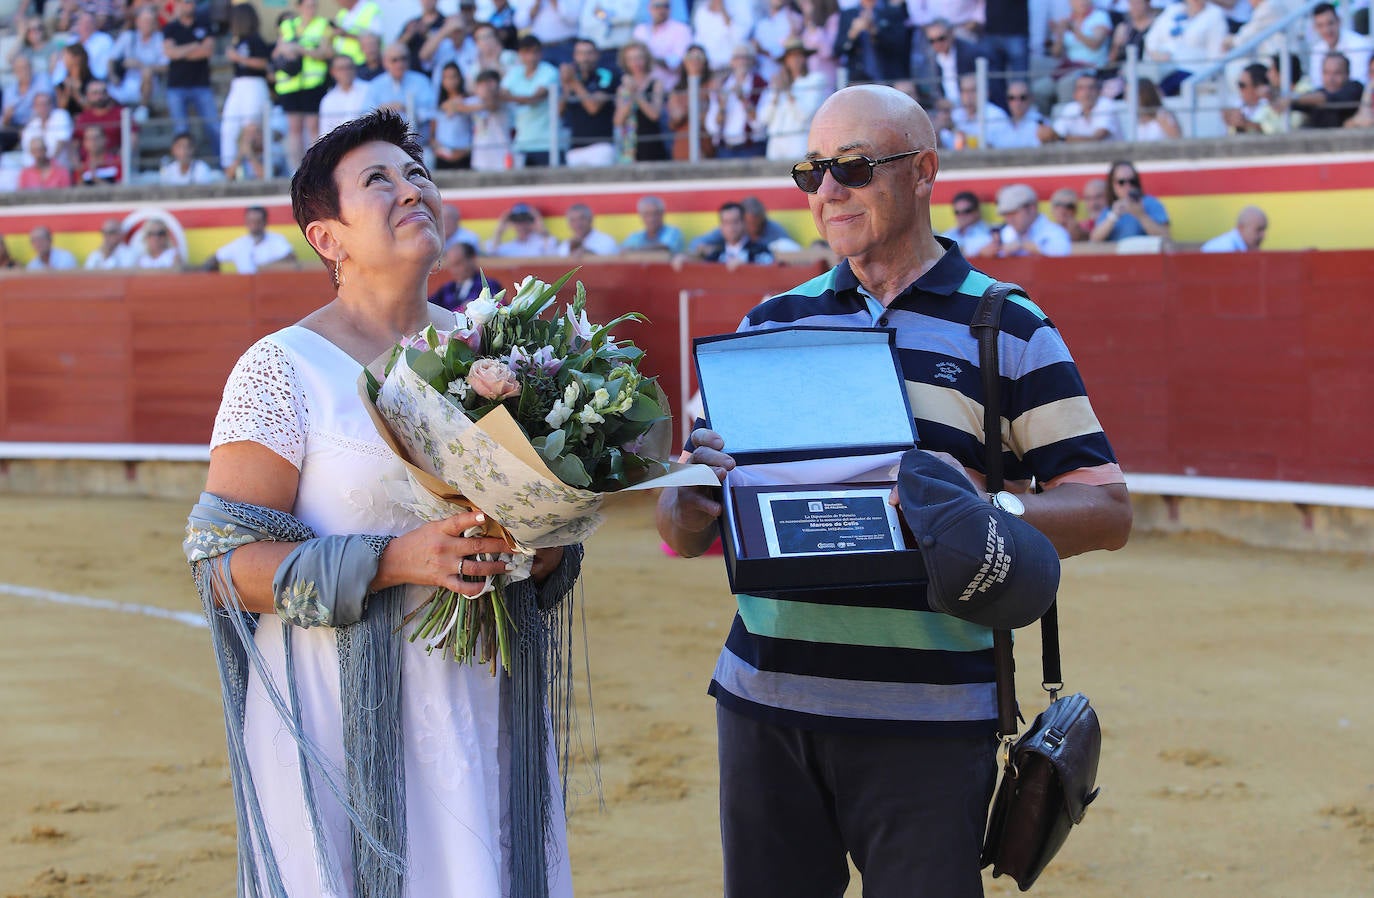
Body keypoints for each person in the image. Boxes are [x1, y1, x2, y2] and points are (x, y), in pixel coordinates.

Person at [656, 83, 1130, 898]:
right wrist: (687, 500)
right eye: (813, 172)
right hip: (767, 701)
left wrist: (988, 515)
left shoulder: (1008, 327)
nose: (829, 190)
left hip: (930, 716)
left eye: (855, 166)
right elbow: (681, 524)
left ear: (924, 171)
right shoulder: (771, 325)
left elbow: (1106, 508)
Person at [184, 109, 579, 898]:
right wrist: (395, 559)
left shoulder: (490, 353)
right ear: (327, 239)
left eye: (418, 175)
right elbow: (224, 566)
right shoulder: (281, 368)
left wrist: (547, 536)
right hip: (339, 715)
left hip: (479, 699)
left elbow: (547, 555)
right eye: (379, 180)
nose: (411, 190)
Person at [273, 0, 333, 172]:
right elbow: (277, 51)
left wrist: (300, 50)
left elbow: (326, 51)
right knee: (294, 129)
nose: (311, 9)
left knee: (313, 126)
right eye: (308, 5)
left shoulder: (322, 25)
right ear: (299, 7)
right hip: (290, 85)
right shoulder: (287, 25)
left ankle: (315, 167)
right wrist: (288, 50)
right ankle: (296, 170)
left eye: (314, 5)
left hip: (312, 84)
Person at [162, 0, 219, 158]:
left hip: (202, 85)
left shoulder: (205, 24)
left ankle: (224, 166)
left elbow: (207, 51)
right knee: (181, 131)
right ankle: (183, 168)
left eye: (191, 2)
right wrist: (194, 45)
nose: (189, 5)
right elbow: (170, 53)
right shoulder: (171, 27)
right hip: (176, 86)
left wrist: (181, 52)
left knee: (214, 127)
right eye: (185, 2)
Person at [221, 3, 273, 171]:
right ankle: (228, 167)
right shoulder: (237, 40)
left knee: (251, 129)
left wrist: (238, 58)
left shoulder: (256, 40)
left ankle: (254, 169)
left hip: (254, 85)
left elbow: (263, 63)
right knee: (229, 125)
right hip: (238, 85)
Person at [759, 39, 827, 161]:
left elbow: (805, 115)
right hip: (775, 141)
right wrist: (775, 95)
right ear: (786, 61)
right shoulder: (776, 83)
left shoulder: (815, 80)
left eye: (798, 56)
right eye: (790, 57)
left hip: (798, 139)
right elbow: (763, 118)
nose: (794, 60)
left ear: (804, 58)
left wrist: (788, 92)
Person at [1142, 0, 1229, 95]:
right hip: (1162, 68)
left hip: (1193, 71)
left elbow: (1215, 56)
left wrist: (1206, 78)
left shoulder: (1215, 14)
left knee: (1155, 90)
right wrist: (1155, 54)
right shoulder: (1172, 10)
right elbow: (1151, 39)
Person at [501, 35, 561, 167]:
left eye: (535, 52)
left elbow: (534, 98)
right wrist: (523, 99)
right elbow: (501, 95)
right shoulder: (515, 72)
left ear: (541, 53)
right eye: (526, 53)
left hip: (547, 143)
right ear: (520, 54)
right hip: (521, 143)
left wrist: (513, 98)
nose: (531, 57)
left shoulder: (550, 72)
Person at [560, 38, 619, 167]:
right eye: (580, 54)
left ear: (597, 55)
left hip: (601, 146)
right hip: (575, 147)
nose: (585, 58)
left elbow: (593, 107)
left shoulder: (606, 75)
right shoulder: (573, 79)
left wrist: (573, 82)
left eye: (589, 53)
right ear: (574, 56)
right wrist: (565, 85)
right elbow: (559, 112)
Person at [706, 43, 768, 159]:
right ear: (732, 62)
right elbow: (712, 126)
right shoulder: (721, 85)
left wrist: (743, 99)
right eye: (738, 58)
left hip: (751, 148)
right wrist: (722, 106)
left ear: (752, 61)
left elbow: (760, 123)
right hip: (725, 149)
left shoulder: (761, 85)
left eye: (746, 58)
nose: (742, 62)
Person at [365, 44, 437, 140]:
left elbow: (431, 112)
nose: (400, 64)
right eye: (394, 60)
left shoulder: (421, 81)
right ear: (385, 62)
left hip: (418, 142)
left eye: (403, 58)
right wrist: (382, 109)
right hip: (385, 142)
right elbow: (365, 115)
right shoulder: (375, 85)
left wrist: (407, 108)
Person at [613, 40, 669, 162]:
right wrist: (629, 94)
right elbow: (618, 120)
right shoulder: (622, 87)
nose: (635, 63)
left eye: (639, 58)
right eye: (631, 59)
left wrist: (636, 94)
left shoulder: (656, 83)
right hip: (630, 145)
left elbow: (654, 115)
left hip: (652, 141)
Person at [1090, 159, 1172, 242]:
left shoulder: (1151, 203)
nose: (1127, 186)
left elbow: (1166, 236)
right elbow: (1095, 240)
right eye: (1121, 182)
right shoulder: (1109, 209)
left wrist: (1141, 215)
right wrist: (1113, 216)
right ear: (1112, 185)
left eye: (1132, 181)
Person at [835, 0, 911, 87]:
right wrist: (853, 33)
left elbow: (901, 44)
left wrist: (874, 30)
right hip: (859, 80)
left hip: (888, 78)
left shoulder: (892, 11)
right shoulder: (848, 14)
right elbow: (838, 49)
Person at [203, 206, 299, 273]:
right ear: (246, 222)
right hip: (244, 290)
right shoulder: (239, 244)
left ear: (265, 222)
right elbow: (213, 259)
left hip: (272, 286)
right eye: (251, 221)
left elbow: (291, 259)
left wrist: (265, 269)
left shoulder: (276, 240)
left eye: (257, 221)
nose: (254, 225)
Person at [107, 5, 167, 112]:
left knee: (147, 73)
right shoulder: (128, 36)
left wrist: (141, 65)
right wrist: (112, 76)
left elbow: (165, 66)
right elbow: (111, 58)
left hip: (152, 84)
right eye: (145, 21)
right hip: (127, 81)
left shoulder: (160, 38)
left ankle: (143, 109)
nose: (147, 24)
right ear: (137, 22)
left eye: (150, 21)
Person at [1306, 2, 1372, 96]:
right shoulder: (1317, 49)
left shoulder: (1359, 45)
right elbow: (1317, 83)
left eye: (1330, 23)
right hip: (1327, 101)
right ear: (1315, 27)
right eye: (1320, 25)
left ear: (1339, 21)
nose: (1326, 30)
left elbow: (1358, 84)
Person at [1038, 70, 1121, 143]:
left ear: (1099, 92)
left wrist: (1059, 138)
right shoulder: (1070, 108)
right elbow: (1056, 133)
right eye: (1081, 88)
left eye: (1091, 88)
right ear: (1075, 94)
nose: (1086, 93)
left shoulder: (1107, 105)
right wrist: (1047, 134)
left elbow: (1097, 138)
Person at [993, 182, 1072, 257]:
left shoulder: (1055, 232)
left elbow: (1061, 254)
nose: (1010, 219)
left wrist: (1024, 246)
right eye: (1006, 214)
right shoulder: (1006, 232)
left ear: (1031, 208)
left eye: (1014, 213)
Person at [666, 44, 715, 161]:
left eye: (699, 57)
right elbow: (676, 117)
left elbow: (709, 119)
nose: (694, 61)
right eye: (690, 58)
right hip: (683, 143)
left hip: (706, 143)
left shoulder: (712, 86)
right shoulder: (677, 90)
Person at [1293, 52, 1365, 128]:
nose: (1331, 79)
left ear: (1347, 74)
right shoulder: (1318, 92)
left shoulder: (1355, 88)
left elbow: (1332, 98)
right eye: (1326, 73)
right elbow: (1297, 105)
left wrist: (1293, 99)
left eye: (1337, 73)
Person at [428, 240, 501, 312]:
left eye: (458, 264)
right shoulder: (447, 288)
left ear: (472, 260)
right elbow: (429, 306)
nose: (454, 270)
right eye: (451, 265)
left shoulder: (488, 285)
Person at [694, 201, 775, 265]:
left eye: (735, 222)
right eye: (726, 223)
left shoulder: (759, 250)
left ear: (744, 223)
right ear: (721, 226)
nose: (731, 228)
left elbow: (769, 268)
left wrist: (748, 263)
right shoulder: (716, 254)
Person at [1223, 62, 1282, 134]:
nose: (1240, 89)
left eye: (1242, 85)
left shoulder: (1272, 105)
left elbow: (1274, 131)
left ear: (1258, 87)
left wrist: (1246, 124)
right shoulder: (1239, 105)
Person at [318, 54, 369, 136]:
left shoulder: (369, 90)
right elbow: (325, 132)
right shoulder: (328, 100)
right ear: (333, 72)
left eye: (349, 67)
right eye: (341, 68)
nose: (346, 72)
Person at [984, 79, 1042, 148]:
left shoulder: (1039, 123)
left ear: (1031, 98)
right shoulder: (1001, 121)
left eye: (1022, 98)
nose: (1017, 103)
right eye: (1012, 98)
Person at [486, 201, 557, 256]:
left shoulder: (542, 244)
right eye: (516, 220)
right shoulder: (508, 247)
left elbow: (551, 252)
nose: (521, 224)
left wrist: (540, 226)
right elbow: (491, 254)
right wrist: (499, 232)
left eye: (525, 219)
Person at [621, 194, 685, 254]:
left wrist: (634, 250)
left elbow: (664, 248)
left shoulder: (673, 232)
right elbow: (623, 251)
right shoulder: (635, 236)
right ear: (641, 216)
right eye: (647, 214)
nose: (651, 219)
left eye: (655, 213)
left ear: (662, 214)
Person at [938, 189, 994, 257]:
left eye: (966, 211)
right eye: (957, 212)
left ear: (977, 211)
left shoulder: (990, 232)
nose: (961, 216)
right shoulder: (949, 234)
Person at [1201, 205, 1268, 252]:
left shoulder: (1246, 249)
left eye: (1264, 230)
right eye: (1258, 229)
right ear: (1241, 228)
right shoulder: (1223, 249)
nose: (1263, 235)